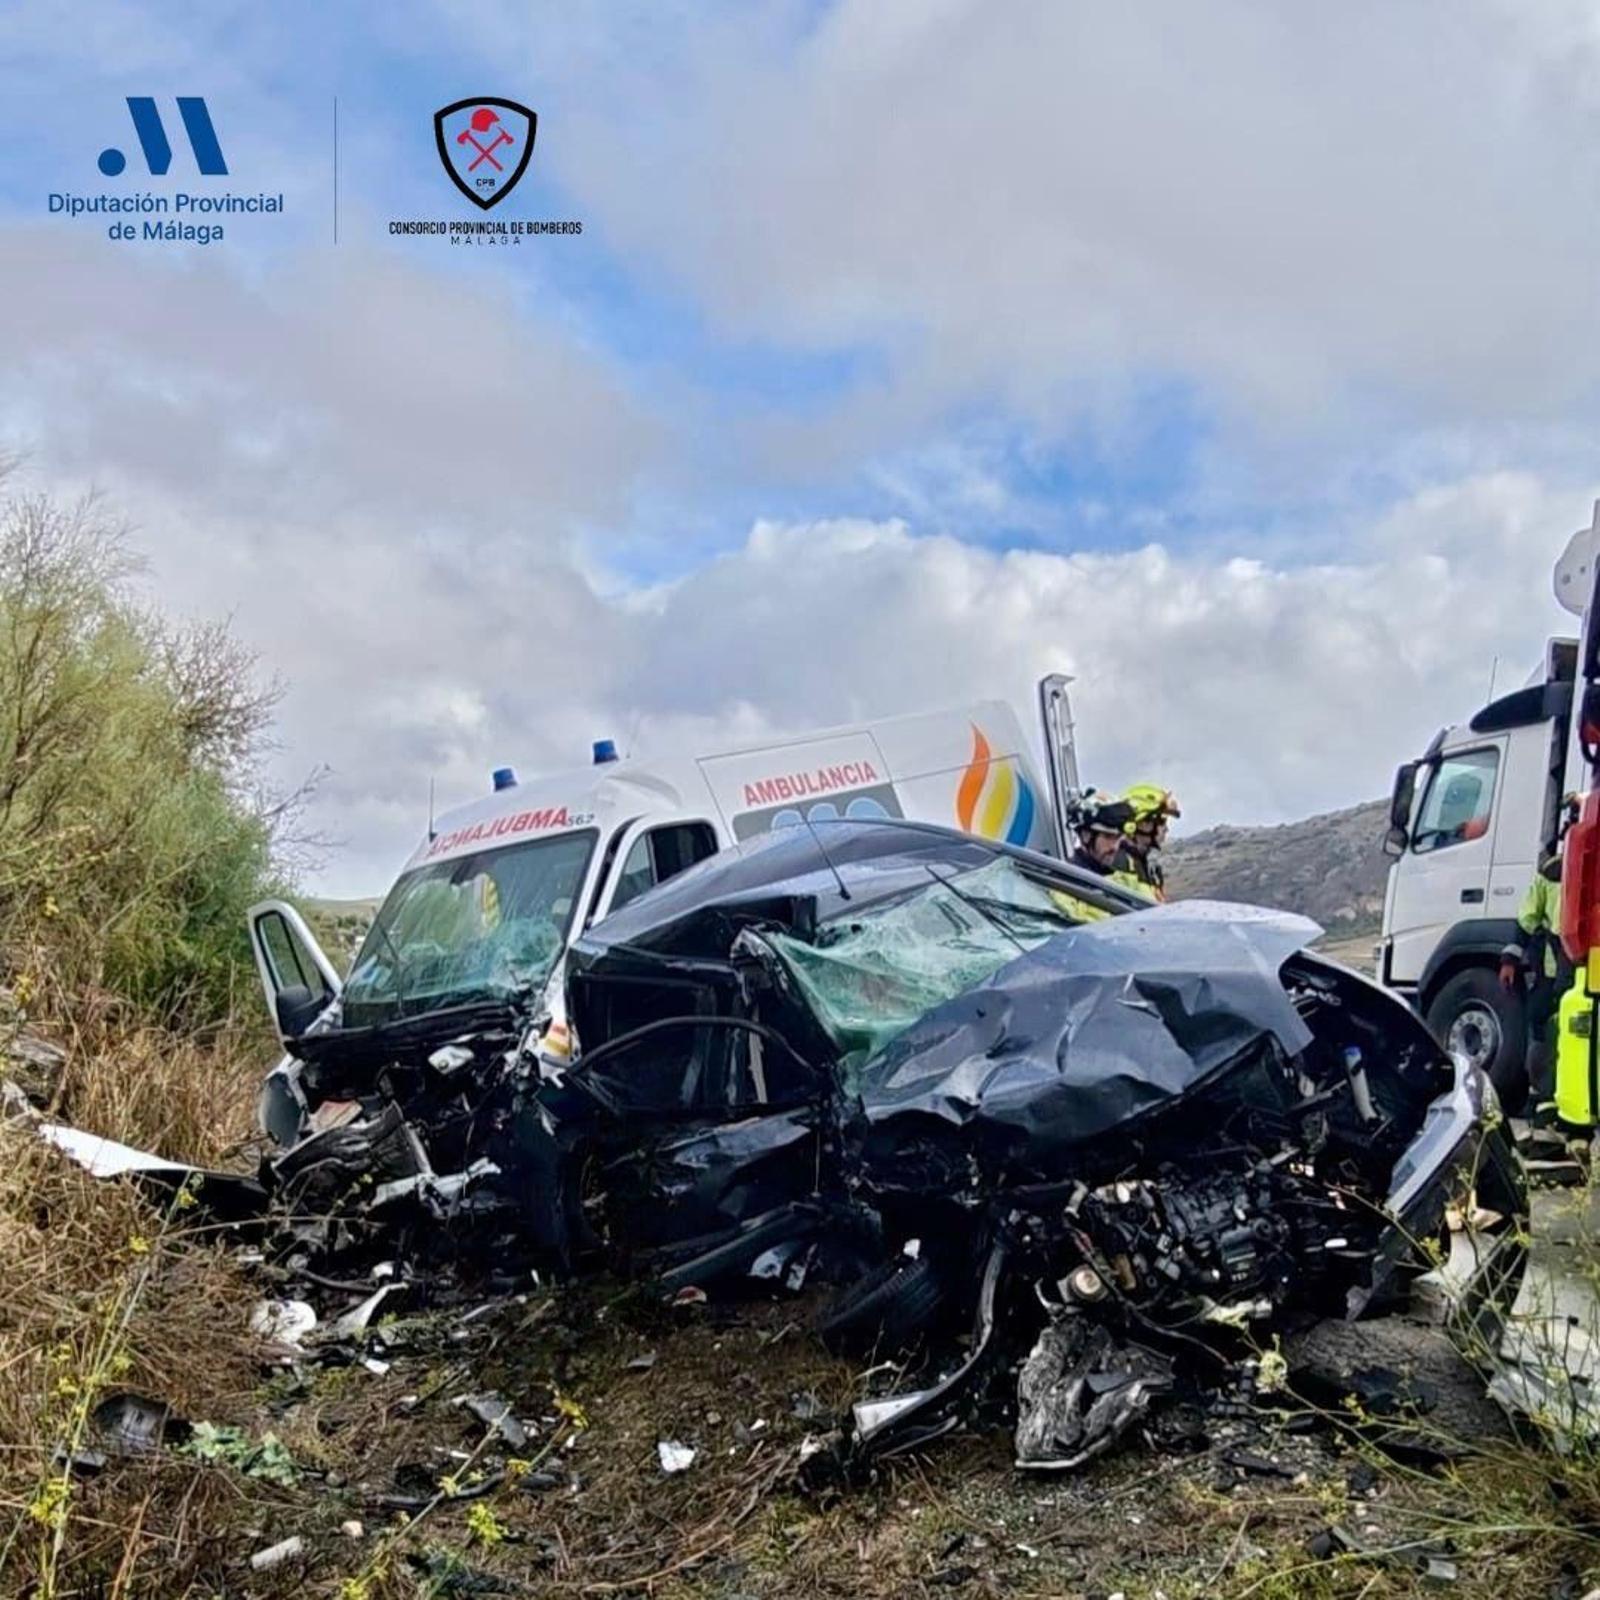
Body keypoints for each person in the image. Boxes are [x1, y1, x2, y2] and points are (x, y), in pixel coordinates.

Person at [1500, 795, 1580, 1127]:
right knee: (1547, 1029)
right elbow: (1527, 919)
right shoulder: (1551, 873)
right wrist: (1510, 959)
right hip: (1555, 966)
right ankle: (1545, 1101)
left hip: (1573, 966)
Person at [1116, 783, 1182, 901]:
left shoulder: (1148, 868)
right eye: (1162, 822)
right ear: (1142, 823)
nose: (1166, 829)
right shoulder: (1120, 865)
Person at [1065, 791, 1138, 880]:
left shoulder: (1119, 877)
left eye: (1118, 837)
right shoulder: (1070, 880)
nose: (1115, 847)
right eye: (1108, 837)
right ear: (1086, 835)